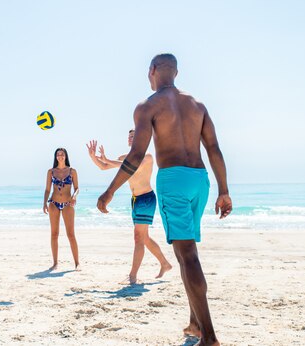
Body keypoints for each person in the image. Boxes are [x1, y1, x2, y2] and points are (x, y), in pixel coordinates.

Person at [97, 54, 232, 346]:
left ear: (153, 71)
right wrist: (224, 190)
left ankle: (209, 337)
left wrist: (110, 190)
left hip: (173, 180)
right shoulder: (197, 105)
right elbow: (214, 149)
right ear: (177, 72)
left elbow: (136, 155)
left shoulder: (148, 106)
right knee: (189, 252)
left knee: (187, 257)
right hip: (200, 180)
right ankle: (196, 323)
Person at [87, 131, 172, 283]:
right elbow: (103, 167)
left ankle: (132, 276)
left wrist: (108, 160)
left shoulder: (147, 157)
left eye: (134, 136)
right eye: (129, 137)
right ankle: (165, 264)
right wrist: (94, 157)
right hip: (135, 201)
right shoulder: (123, 158)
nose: (131, 138)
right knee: (144, 237)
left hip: (146, 199)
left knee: (139, 238)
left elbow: (131, 166)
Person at [42, 148, 80, 270]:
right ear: (55, 157)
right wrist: (44, 203)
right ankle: (55, 263)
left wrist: (74, 196)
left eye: (62, 154)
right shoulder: (51, 172)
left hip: (68, 204)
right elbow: (48, 189)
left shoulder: (72, 171)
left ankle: (77, 263)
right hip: (53, 203)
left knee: (71, 234)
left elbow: (77, 188)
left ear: (66, 156)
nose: (60, 156)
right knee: (54, 234)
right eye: (58, 155)